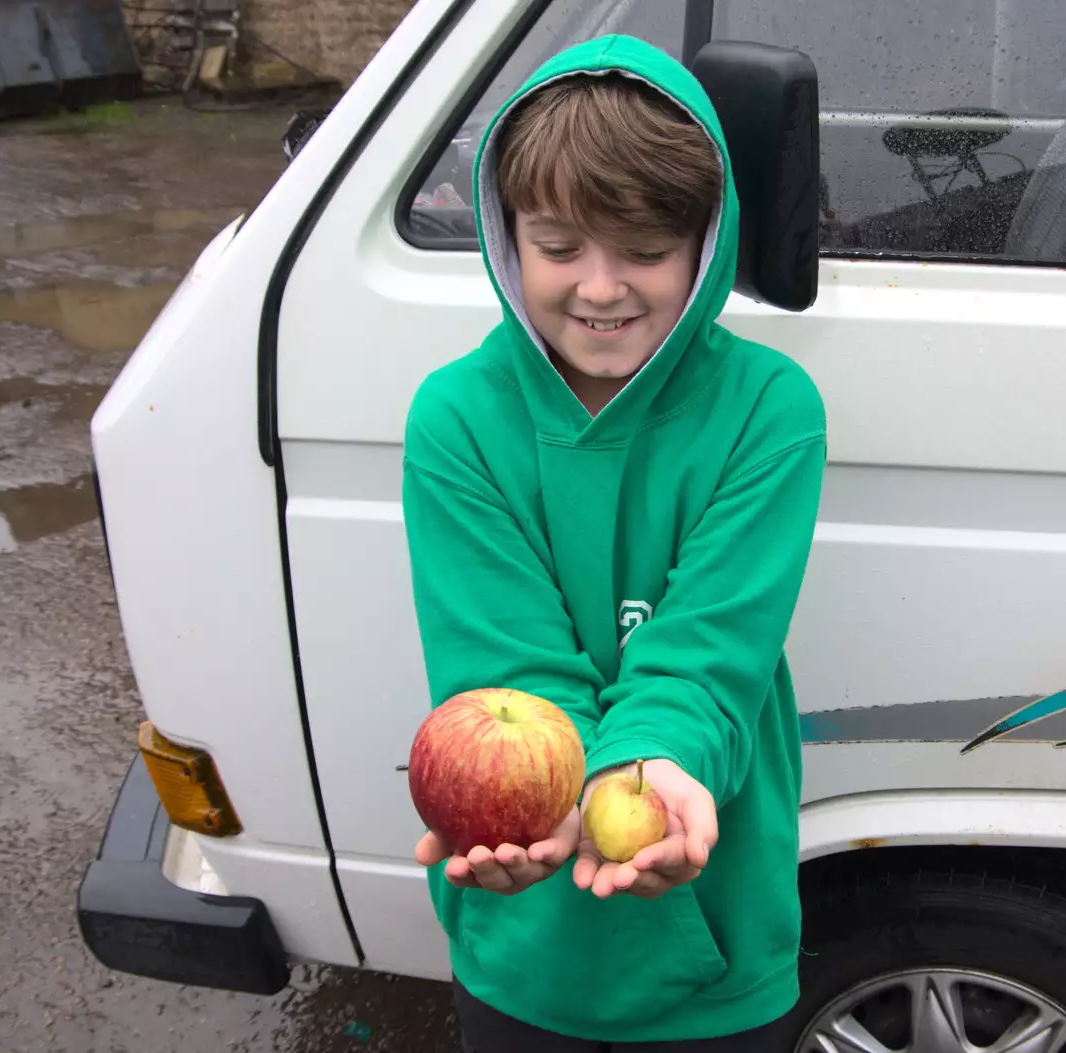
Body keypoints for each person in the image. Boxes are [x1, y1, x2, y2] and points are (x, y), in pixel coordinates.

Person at [401, 34, 826, 1051]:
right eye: (558, 249)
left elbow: (707, 651)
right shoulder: (455, 418)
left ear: (707, 241)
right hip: (524, 929)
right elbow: (508, 663)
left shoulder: (771, 410)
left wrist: (647, 764)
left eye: (642, 250)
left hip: (713, 912)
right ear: (507, 240)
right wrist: (552, 798)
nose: (598, 288)